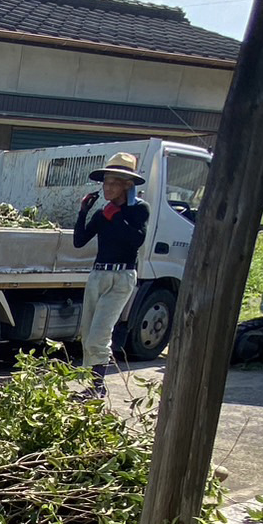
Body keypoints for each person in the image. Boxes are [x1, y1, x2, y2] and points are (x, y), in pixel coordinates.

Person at [72, 152, 150, 399]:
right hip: (98, 275)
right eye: (106, 182)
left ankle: (97, 387)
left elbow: (136, 239)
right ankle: (92, 386)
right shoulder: (102, 213)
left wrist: (115, 216)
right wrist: (83, 212)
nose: (107, 188)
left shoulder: (138, 210)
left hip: (121, 277)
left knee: (100, 334)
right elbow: (79, 241)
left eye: (114, 183)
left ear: (127, 185)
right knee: (88, 334)